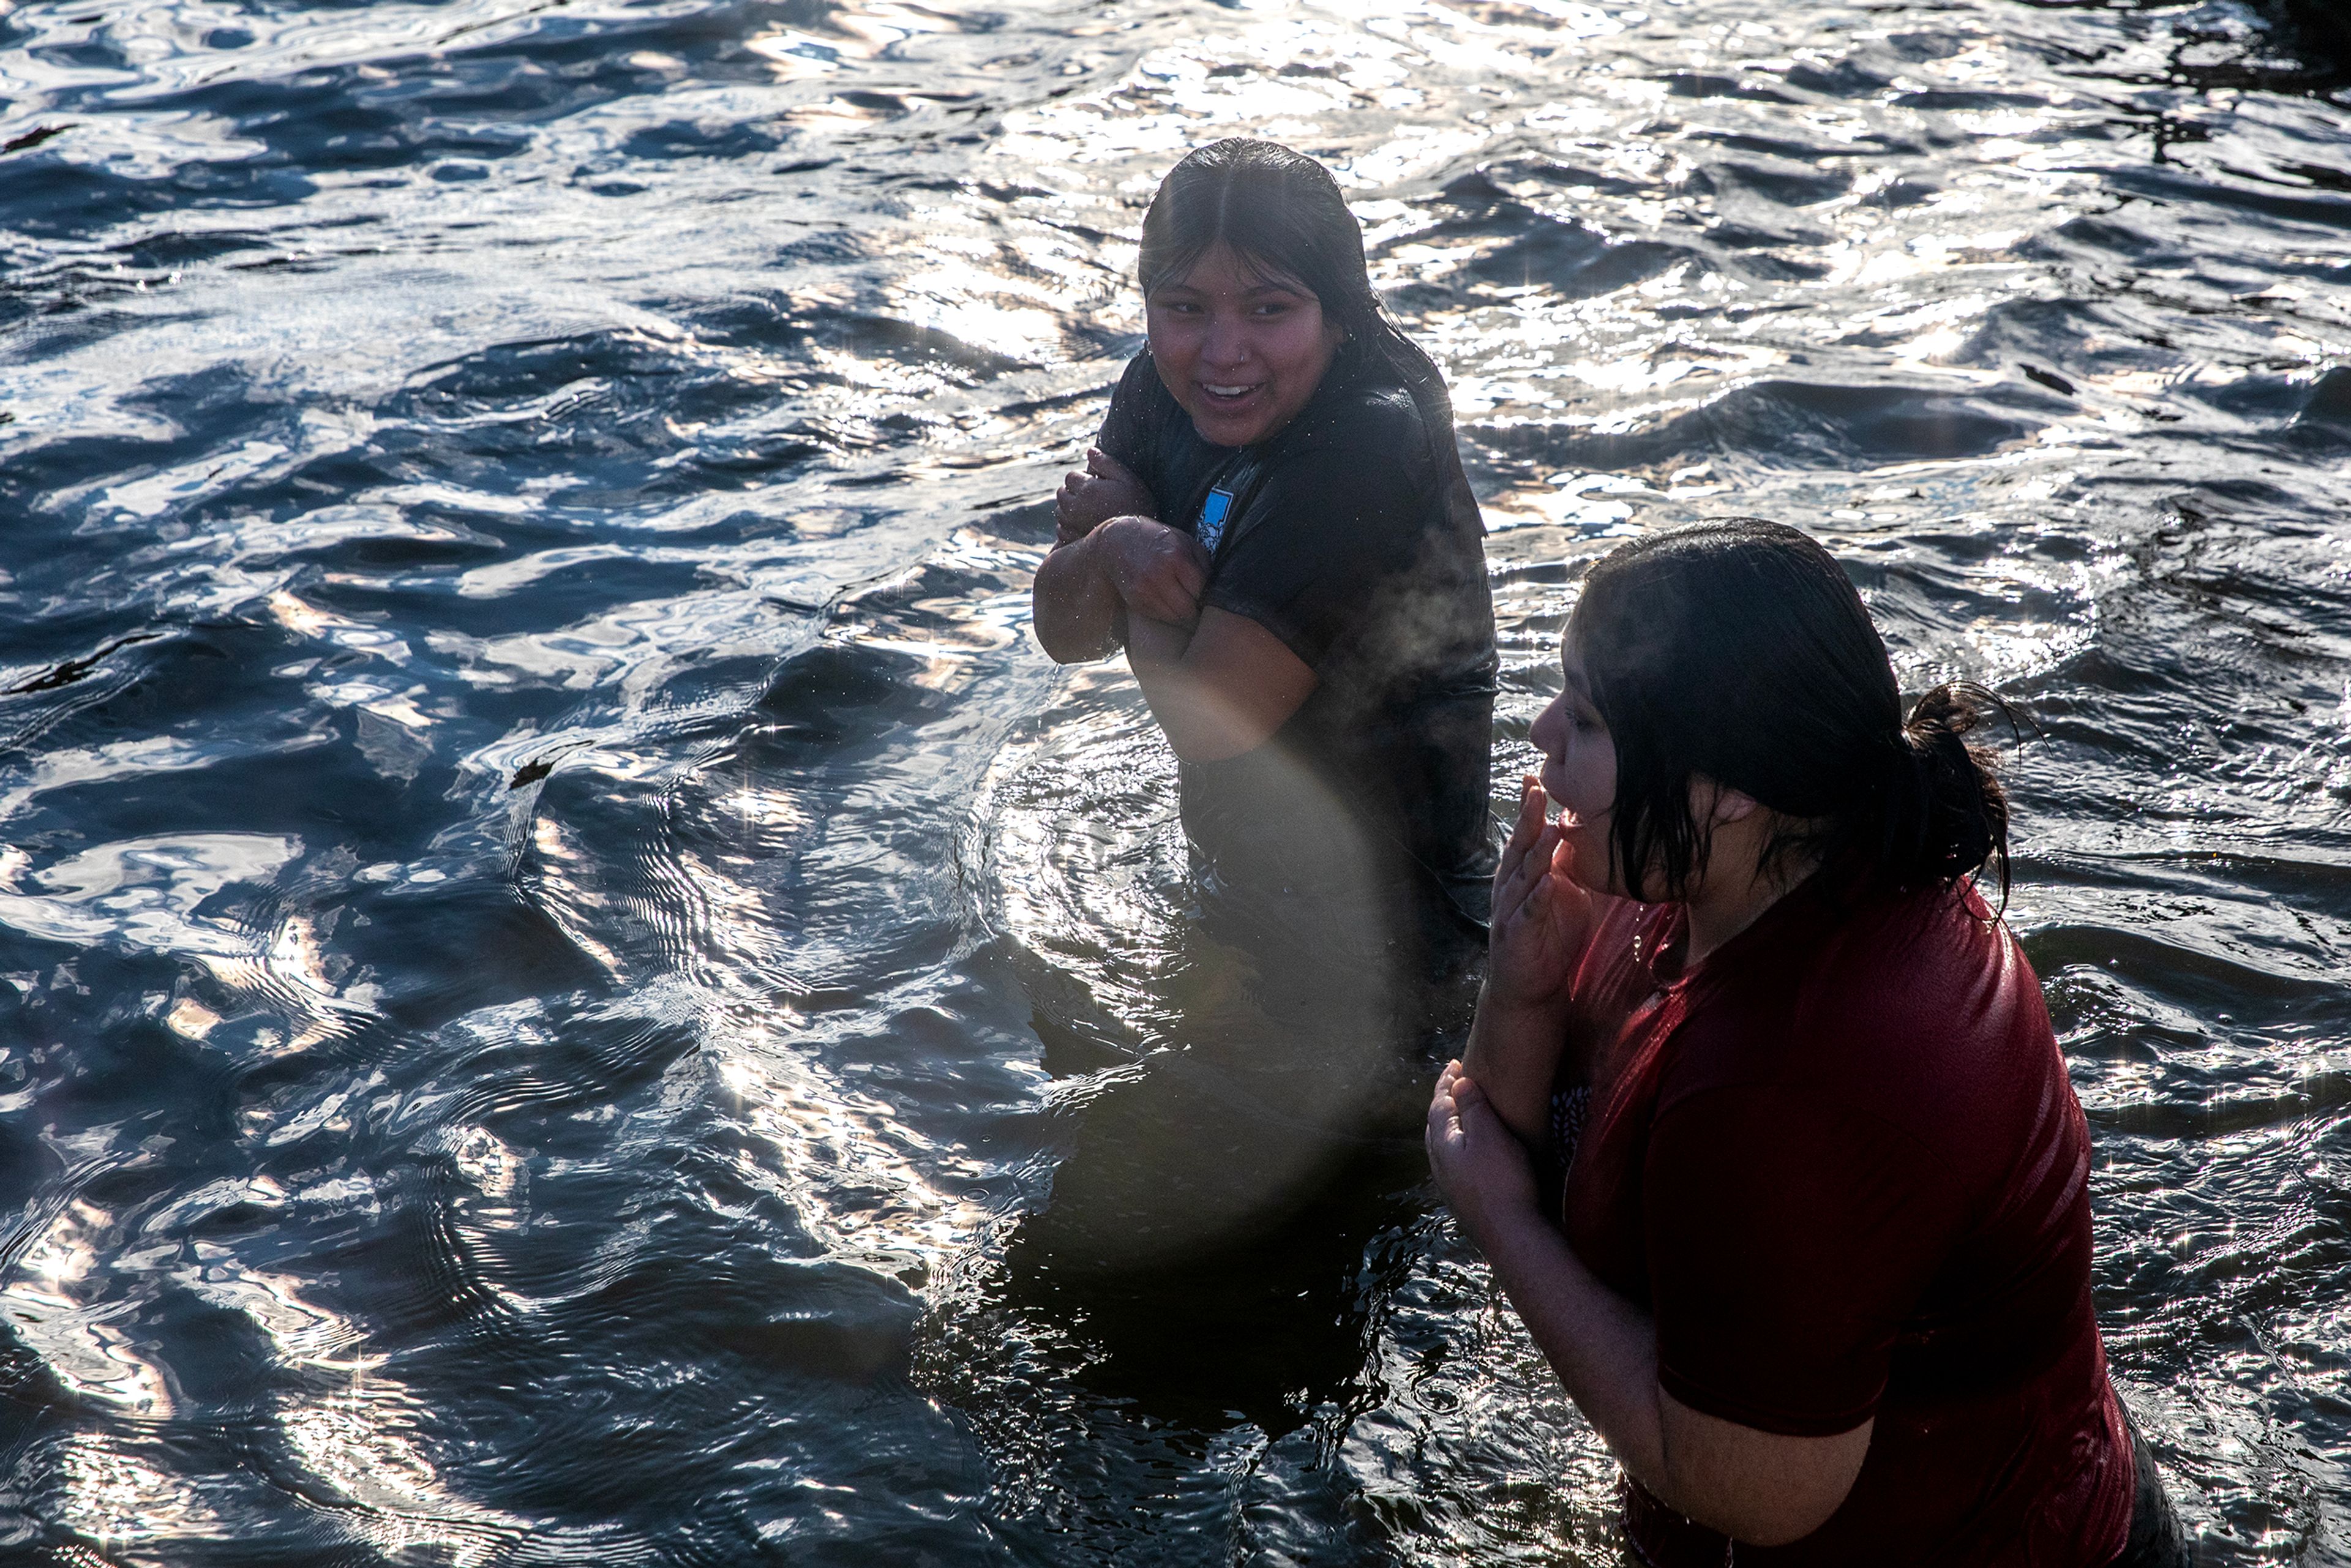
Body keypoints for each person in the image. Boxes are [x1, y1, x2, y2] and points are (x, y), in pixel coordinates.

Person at [1423, 520, 2188, 1566]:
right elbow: (1523, 1130)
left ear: (1733, 786)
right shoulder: (1701, 870)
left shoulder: (1801, 1081)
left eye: (1591, 719)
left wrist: (1503, 1224)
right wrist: (1522, 987)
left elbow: (1756, 1489)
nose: (1543, 732)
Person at [1030, 138, 1498, 939]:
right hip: (1243, 884)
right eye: (1185, 307)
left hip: (1403, 927)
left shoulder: (1371, 439)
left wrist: (1136, 560)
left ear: (1341, 310)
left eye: (1269, 309)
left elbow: (1211, 724)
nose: (1222, 350)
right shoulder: (1161, 382)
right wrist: (1116, 545)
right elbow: (1061, 629)